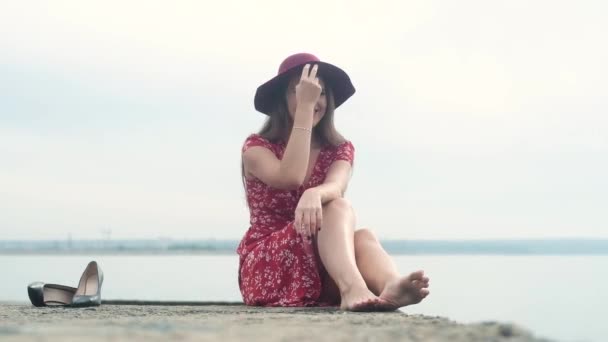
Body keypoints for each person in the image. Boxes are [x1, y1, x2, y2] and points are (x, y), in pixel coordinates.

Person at [237, 52, 430, 311]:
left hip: (323, 266)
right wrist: (305, 108)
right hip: (269, 267)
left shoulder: (339, 148)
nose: (314, 98)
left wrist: (315, 193)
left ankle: (390, 284)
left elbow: (337, 186)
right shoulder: (257, 148)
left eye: (321, 92)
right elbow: (291, 176)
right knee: (336, 207)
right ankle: (353, 288)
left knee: (360, 234)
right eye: (303, 91)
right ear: (282, 98)